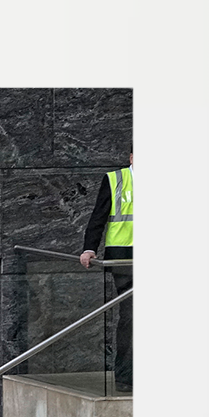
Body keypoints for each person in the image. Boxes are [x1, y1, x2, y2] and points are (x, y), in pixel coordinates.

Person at [80, 152, 134, 392]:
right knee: (132, 315)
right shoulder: (115, 180)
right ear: (131, 158)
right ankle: (125, 375)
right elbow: (98, 216)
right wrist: (89, 248)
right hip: (123, 257)